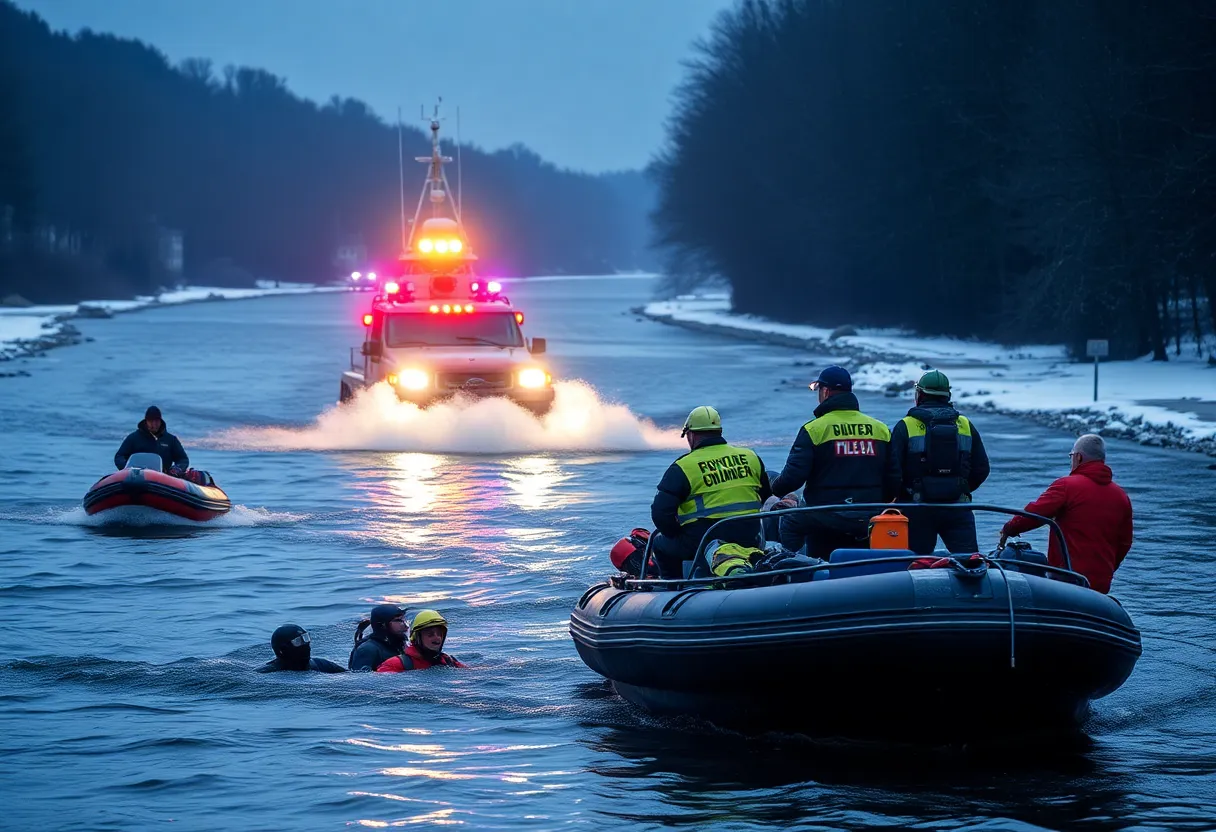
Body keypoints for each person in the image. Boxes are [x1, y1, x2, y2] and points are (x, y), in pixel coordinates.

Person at [771, 366, 897, 559]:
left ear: (826, 391)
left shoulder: (814, 429)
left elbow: (791, 480)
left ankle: (791, 569)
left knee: (790, 521)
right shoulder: (880, 429)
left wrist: (772, 489)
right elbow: (894, 479)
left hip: (826, 513)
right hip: (870, 513)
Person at [999, 434, 1132, 594]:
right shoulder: (1121, 497)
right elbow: (1125, 543)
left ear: (1078, 457)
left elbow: (1035, 514)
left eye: (1071, 456)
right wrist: (1107, 570)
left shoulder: (1067, 486)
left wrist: (1010, 528)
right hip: (1101, 585)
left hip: (1067, 581)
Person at [649, 406, 772, 578]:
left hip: (702, 540)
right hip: (750, 536)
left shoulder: (683, 467)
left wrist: (676, 533)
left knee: (659, 544)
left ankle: (674, 590)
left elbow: (660, 514)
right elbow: (765, 495)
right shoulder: (750, 456)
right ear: (720, 431)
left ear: (691, 435)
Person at [888, 369, 991, 555]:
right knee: (970, 564)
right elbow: (982, 468)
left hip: (916, 508)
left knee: (915, 566)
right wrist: (960, 488)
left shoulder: (906, 426)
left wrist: (901, 496)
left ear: (919, 395)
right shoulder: (965, 425)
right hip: (958, 508)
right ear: (947, 395)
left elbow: (893, 471)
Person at [376, 610, 465, 672]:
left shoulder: (448, 661)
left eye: (440, 634)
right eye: (430, 634)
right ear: (417, 637)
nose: (437, 638)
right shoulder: (395, 664)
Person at [114, 406, 189, 474]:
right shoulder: (133, 438)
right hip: (136, 475)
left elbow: (183, 459)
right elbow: (119, 456)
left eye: (156, 421)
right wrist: (127, 468)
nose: (154, 424)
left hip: (163, 477)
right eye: (151, 421)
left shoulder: (170, 440)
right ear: (146, 422)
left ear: (160, 421)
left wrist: (177, 469)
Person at [257, 624, 345, 673]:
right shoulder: (266, 672)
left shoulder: (323, 665)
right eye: (298, 641)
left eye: (306, 638)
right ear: (283, 649)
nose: (305, 644)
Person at [348, 604, 409, 671]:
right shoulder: (367, 650)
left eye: (404, 619)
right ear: (382, 625)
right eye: (398, 620)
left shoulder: (399, 643)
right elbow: (359, 679)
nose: (406, 625)